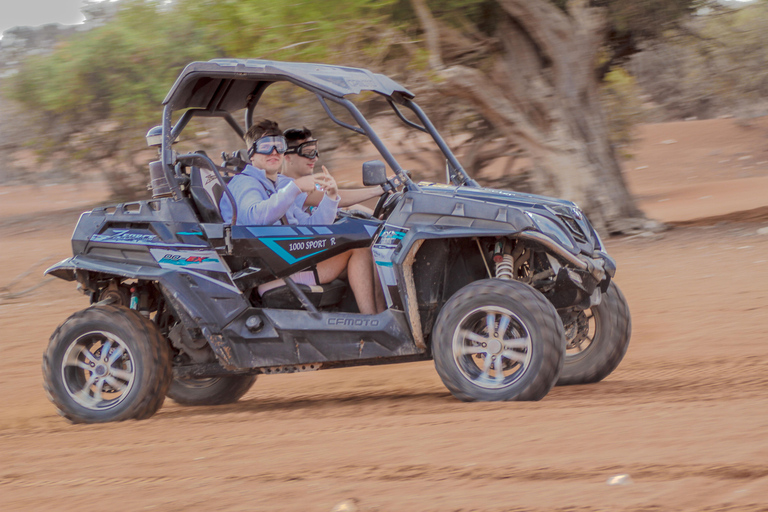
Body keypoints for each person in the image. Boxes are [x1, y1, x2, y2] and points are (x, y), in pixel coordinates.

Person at [220, 119, 384, 315]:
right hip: (273, 273)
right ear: (252, 153)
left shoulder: (277, 185)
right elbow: (257, 218)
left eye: (278, 146)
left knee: (369, 251)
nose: (273, 152)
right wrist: (295, 187)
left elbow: (311, 225)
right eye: (265, 147)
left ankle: (381, 318)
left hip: (291, 262)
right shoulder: (246, 183)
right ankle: (374, 322)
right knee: (359, 250)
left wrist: (331, 197)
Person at [282, 127, 387, 210]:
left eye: (315, 152)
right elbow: (335, 198)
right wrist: (376, 191)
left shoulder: (312, 184)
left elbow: (345, 207)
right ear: (287, 157)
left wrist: (376, 217)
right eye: (308, 153)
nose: (315, 158)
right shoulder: (286, 186)